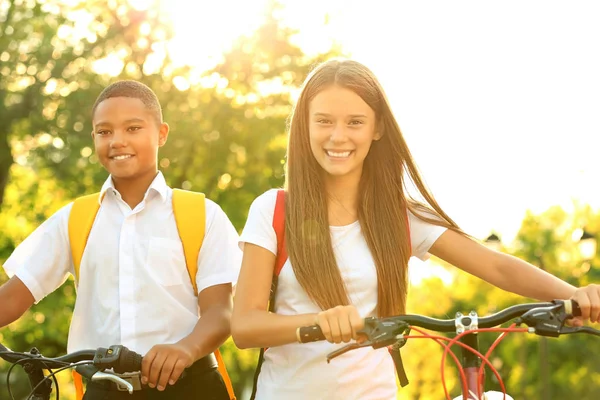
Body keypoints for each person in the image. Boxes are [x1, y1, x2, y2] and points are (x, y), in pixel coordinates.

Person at [231, 59, 600, 400]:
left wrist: (578, 296)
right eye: (324, 120)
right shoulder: (274, 210)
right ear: (305, 126)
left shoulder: (400, 218)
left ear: (377, 129)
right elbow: (245, 326)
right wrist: (318, 321)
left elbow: (497, 266)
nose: (338, 136)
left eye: (355, 122)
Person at [0, 80, 241, 399]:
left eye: (133, 128)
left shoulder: (202, 214)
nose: (117, 141)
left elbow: (220, 312)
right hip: (104, 390)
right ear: (94, 138)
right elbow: (15, 296)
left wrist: (186, 348)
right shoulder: (75, 218)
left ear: (161, 134)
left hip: (190, 386)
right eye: (104, 131)